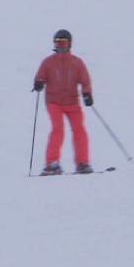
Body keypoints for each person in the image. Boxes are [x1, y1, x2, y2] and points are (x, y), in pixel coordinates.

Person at [33, 29, 94, 175]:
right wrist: (39, 83)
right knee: (58, 129)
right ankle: (52, 163)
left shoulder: (77, 63)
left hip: (72, 102)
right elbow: (40, 76)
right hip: (54, 102)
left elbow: (85, 79)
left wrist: (87, 93)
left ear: (70, 44)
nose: (60, 46)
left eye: (63, 43)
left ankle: (82, 163)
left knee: (79, 130)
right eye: (57, 43)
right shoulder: (48, 62)